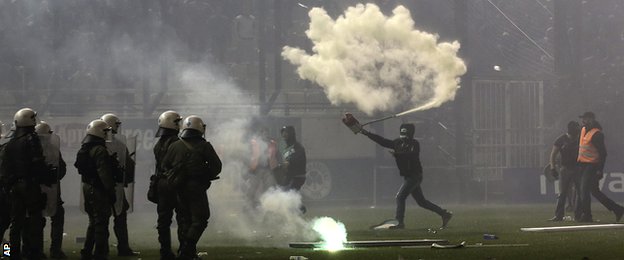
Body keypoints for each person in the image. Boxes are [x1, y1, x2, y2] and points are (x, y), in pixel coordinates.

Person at [359, 123, 452, 229]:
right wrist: (366, 133)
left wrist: (398, 155)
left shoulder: (414, 144)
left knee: (400, 197)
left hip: (415, 176)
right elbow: (383, 141)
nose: (403, 135)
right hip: (408, 176)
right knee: (422, 202)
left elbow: (411, 155)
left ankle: (399, 222)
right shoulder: (397, 143)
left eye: (405, 132)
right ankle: (444, 214)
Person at [162, 115, 221, 260]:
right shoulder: (204, 146)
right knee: (201, 219)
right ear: (200, 128)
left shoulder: (175, 145)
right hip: (196, 187)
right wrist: (205, 173)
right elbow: (217, 167)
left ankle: (185, 251)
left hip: (178, 188)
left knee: (184, 220)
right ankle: (187, 251)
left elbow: (165, 165)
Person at [0, 108, 51, 259]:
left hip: (12, 188)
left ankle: (10, 254)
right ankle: (32, 252)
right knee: (34, 222)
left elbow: (6, 169)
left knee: (14, 224)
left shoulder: (10, 143)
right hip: (28, 185)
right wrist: (45, 176)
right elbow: (37, 163)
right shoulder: (31, 139)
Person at [75, 119, 116, 260]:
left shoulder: (85, 148)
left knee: (93, 222)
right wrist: (111, 191)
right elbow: (104, 174)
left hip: (88, 186)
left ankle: (86, 251)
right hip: (98, 189)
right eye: (105, 132)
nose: (106, 135)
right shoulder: (99, 150)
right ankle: (99, 253)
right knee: (101, 223)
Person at [99, 113, 137, 256]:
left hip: (101, 187)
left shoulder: (94, 144)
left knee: (100, 221)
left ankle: (100, 250)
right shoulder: (120, 145)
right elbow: (128, 166)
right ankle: (123, 247)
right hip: (115, 187)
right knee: (120, 217)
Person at [576, 112, 624, 222]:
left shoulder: (597, 134)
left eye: (585, 119)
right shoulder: (583, 130)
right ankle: (617, 209)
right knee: (594, 191)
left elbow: (603, 153)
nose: (583, 121)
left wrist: (599, 170)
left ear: (591, 119)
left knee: (584, 190)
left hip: (591, 165)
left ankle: (587, 215)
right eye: (582, 118)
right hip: (583, 165)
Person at [152, 110, 184, 260]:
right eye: (177, 122)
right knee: (183, 218)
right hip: (175, 184)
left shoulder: (158, 145)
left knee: (163, 220)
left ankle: (165, 251)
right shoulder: (178, 143)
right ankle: (184, 250)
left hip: (161, 183)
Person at [35, 121, 68, 259]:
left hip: (37, 191)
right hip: (53, 190)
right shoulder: (54, 149)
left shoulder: (32, 149)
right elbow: (62, 169)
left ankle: (35, 251)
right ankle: (55, 250)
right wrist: (53, 177)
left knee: (36, 222)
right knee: (56, 218)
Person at [547, 121, 581, 221]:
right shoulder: (561, 139)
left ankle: (578, 215)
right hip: (565, 169)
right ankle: (558, 215)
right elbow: (553, 154)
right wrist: (553, 168)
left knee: (579, 193)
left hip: (578, 168)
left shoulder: (580, 138)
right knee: (562, 193)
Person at [246, 126, 278, 207]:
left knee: (269, 188)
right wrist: (249, 166)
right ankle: (249, 205)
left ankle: (268, 205)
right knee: (252, 188)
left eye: (266, 132)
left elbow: (276, 155)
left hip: (268, 168)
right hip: (256, 168)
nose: (265, 134)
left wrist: (276, 165)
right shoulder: (254, 142)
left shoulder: (272, 143)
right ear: (260, 133)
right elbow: (249, 154)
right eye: (263, 132)